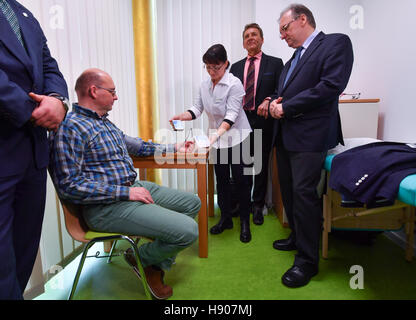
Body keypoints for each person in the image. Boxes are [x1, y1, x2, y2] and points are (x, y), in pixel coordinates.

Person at [49, 68, 201, 300]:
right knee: (188, 231)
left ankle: (152, 264)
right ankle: (140, 257)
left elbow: (138, 146)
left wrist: (174, 149)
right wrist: (126, 192)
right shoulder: (70, 127)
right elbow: (70, 185)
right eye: (112, 91)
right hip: (106, 207)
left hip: (132, 188)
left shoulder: (104, 123)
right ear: (93, 91)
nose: (116, 96)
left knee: (192, 203)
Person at [258, 4, 354, 288]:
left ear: (302, 20)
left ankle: (307, 262)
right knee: (289, 192)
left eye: (285, 29)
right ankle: (297, 237)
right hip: (286, 136)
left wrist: (285, 107)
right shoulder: (292, 61)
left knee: (303, 194)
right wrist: (271, 100)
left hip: (311, 136)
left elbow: (329, 86)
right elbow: (282, 92)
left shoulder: (335, 43)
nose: (283, 36)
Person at [0, 0, 69, 299]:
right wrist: (35, 111)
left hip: (33, 153)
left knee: (24, 250)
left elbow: (47, 64)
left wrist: (57, 100)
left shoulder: (21, 12)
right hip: (5, 145)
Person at [170, 44, 253, 243]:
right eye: (207, 67)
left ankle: (244, 222)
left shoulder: (235, 84)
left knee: (242, 181)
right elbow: (197, 108)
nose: (211, 71)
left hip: (239, 137)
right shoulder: (205, 84)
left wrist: (215, 136)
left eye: (215, 67)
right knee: (221, 180)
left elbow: (232, 114)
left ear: (226, 64)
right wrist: (184, 115)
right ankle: (225, 219)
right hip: (216, 139)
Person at [230, 23, 283, 225]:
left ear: (261, 39)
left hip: (263, 121)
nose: (251, 38)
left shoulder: (275, 64)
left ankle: (258, 206)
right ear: (243, 43)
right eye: (247, 36)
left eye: (254, 35)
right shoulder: (234, 67)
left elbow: (282, 89)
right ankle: (240, 203)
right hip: (240, 122)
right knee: (242, 166)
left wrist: (270, 99)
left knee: (259, 166)